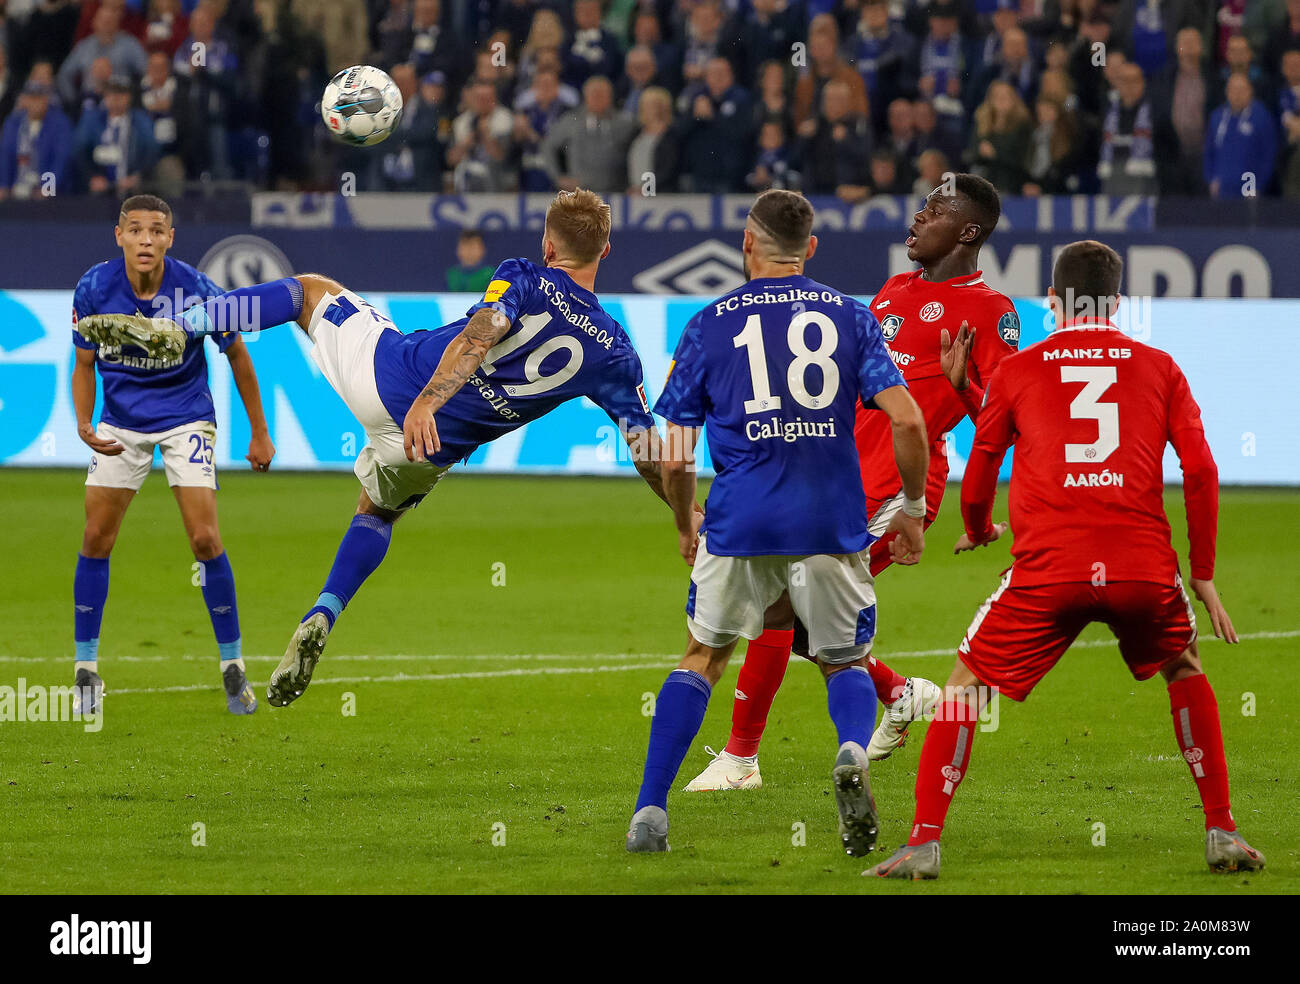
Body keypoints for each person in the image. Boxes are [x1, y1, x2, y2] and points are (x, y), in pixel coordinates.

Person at [77, 190, 674, 708]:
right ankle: (326, 610)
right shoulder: (616, 353)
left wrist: (425, 401)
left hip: (393, 383)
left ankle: (184, 321)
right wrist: (684, 510)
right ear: (606, 252)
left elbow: (477, 336)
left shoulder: (523, 273)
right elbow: (646, 446)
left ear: (548, 245)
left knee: (306, 292)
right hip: (430, 449)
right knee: (378, 512)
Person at [866, 239, 1266, 879]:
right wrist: (1205, 574)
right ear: (1120, 302)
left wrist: (977, 527)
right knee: (1185, 666)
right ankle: (1222, 831)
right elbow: (1201, 469)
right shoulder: (1159, 367)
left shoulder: (1021, 370)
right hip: (1141, 567)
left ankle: (923, 841)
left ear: (1052, 301)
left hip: (1050, 570)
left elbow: (984, 468)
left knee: (966, 688)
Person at [687, 173, 1020, 791]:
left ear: (967, 232)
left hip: (893, 487)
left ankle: (741, 759)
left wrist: (963, 388)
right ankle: (901, 695)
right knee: (806, 617)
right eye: (920, 207)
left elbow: (1006, 421)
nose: (917, 219)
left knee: (780, 602)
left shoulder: (992, 312)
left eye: (933, 211)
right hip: (832, 474)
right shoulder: (894, 289)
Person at [626, 188, 929, 854]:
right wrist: (912, 507)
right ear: (810, 249)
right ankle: (851, 747)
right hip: (831, 517)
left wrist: (685, 521)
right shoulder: (852, 318)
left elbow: (673, 455)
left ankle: (650, 810)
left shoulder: (707, 323)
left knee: (703, 657)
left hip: (740, 519)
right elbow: (907, 418)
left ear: (745, 244)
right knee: (841, 660)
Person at [70, 194, 275, 717]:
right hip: (121, 423)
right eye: (134, 230)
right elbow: (83, 364)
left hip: (186, 417)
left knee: (205, 537)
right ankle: (85, 668)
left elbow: (238, 356)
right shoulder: (94, 288)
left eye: (155, 231)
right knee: (97, 536)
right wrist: (83, 423)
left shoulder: (197, 291)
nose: (145, 239)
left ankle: (232, 665)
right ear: (118, 236)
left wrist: (259, 433)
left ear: (169, 239)